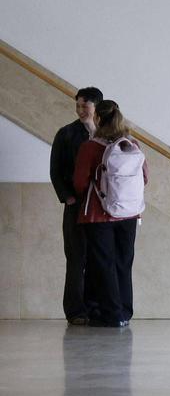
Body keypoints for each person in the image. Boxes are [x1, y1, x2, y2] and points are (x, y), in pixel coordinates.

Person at [73, 101, 148, 328]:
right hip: (130, 214)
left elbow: (79, 182)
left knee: (104, 264)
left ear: (97, 119)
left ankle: (112, 314)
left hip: (98, 215)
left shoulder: (90, 147)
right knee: (124, 263)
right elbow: (145, 177)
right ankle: (125, 312)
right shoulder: (132, 145)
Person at [50, 86, 103, 325]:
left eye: (85, 106)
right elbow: (55, 170)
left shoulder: (105, 133)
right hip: (76, 204)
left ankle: (95, 308)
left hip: (100, 208)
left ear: (96, 107)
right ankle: (75, 311)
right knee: (75, 258)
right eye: (78, 105)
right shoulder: (66, 134)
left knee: (97, 258)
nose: (81, 110)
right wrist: (68, 197)